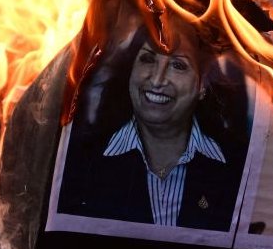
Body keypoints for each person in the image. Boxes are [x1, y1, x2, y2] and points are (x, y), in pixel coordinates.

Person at [58, 21, 250, 231]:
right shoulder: (81, 162)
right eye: (148, 59)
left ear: (202, 84)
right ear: (130, 70)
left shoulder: (238, 167)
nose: (158, 80)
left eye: (178, 65)